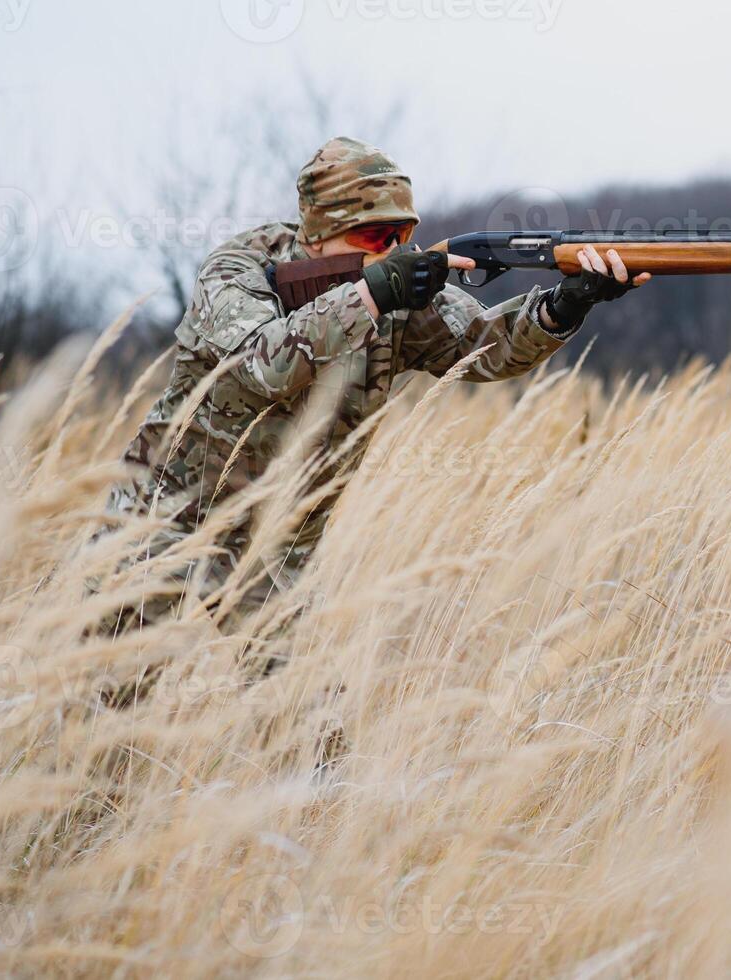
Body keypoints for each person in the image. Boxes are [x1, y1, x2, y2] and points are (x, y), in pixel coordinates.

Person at [99, 137, 648, 633]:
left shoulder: (394, 288)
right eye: (373, 235)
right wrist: (373, 294)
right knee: (94, 709)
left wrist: (561, 306)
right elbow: (261, 364)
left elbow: (482, 348)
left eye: (403, 234)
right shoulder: (238, 270)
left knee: (308, 726)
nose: (391, 250)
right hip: (159, 527)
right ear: (318, 232)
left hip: (277, 549)